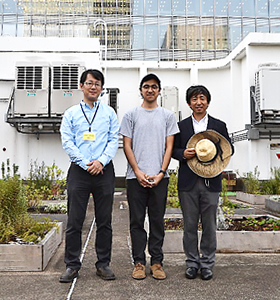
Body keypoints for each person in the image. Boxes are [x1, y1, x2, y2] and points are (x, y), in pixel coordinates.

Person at [59, 69, 119, 283]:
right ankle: (72, 265)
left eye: (97, 84)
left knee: (105, 221)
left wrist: (101, 161)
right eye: (90, 83)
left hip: (104, 170)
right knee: (75, 221)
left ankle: (103, 264)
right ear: (81, 86)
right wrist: (86, 164)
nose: (93, 87)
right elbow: (67, 142)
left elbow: (114, 140)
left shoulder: (109, 113)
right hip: (79, 171)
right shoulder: (71, 113)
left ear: (102, 88)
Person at [120, 73, 179, 280]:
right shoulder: (130, 115)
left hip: (159, 178)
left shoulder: (167, 116)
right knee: (136, 221)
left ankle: (156, 262)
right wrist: (137, 171)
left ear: (159, 91)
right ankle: (138, 262)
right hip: (135, 178)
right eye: (146, 86)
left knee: (157, 221)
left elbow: (169, 146)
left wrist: (162, 173)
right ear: (141, 90)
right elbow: (127, 145)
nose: (150, 90)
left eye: (154, 87)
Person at [172, 85, 234, 281]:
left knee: (209, 225)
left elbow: (229, 149)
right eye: (194, 99)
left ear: (208, 101)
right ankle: (191, 263)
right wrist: (183, 153)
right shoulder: (180, 126)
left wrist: (217, 158)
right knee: (189, 225)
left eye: (202, 98)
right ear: (189, 103)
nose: (198, 102)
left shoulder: (219, 125)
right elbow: (172, 150)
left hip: (211, 183)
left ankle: (207, 264)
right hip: (187, 183)